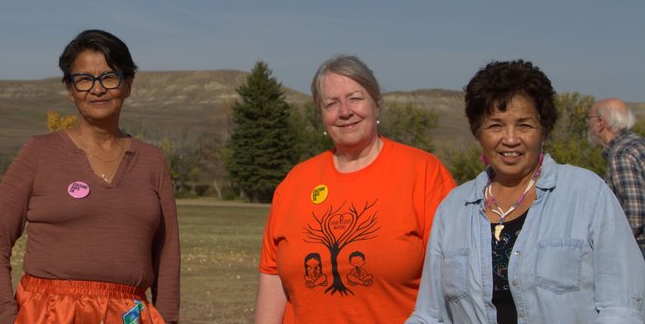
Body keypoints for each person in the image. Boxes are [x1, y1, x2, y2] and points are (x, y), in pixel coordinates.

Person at [408, 60, 645, 323]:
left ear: (544, 130)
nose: (510, 139)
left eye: (524, 125)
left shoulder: (588, 195)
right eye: (495, 126)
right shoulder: (453, 210)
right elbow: (430, 314)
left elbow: (622, 308)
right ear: (478, 133)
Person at [0, 29, 180, 324]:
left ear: (128, 84)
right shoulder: (38, 153)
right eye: (84, 79)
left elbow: (167, 253)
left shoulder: (153, 161)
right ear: (70, 89)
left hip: (128, 315)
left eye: (109, 77)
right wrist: (8, 318)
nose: (97, 89)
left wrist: (167, 319)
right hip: (49, 314)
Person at [254, 55, 456, 323]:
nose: (345, 111)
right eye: (332, 103)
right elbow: (272, 276)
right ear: (321, 115)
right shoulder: (295, 182)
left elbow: (453, 276)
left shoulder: (423, 173)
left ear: (377, 104)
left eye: (355, 98)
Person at [588, 98, 645, 258]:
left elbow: (635, 215)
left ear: (600, 123)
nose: (588, 125)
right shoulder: (638, 144)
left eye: (589, 119)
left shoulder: (622, 154)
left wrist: (610, 249)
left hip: (638, 249)